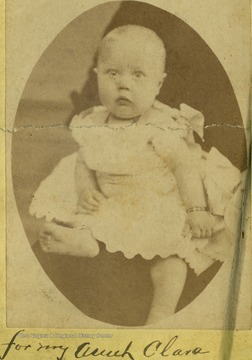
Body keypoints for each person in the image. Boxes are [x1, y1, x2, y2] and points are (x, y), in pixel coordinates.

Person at [30, 25, 242, 325]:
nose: (123, 85)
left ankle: (161, 313)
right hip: (110, 198)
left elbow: (185, 167)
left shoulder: (160, 125)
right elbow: (83, 160)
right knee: (84, 214)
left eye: (138, 75)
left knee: (171, 259)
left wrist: (196, 210)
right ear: (97, 76)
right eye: (112, 74)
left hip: (154, 202)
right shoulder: (93, 122)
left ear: (158, 84)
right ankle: (84, 242)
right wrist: (86, 186)